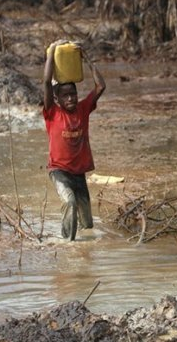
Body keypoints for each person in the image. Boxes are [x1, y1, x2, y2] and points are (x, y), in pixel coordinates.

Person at [43, 40, 106, 241]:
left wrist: (85, 57)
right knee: (69, 201)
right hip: (59, 171)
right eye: (66, 96)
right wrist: (51, 52)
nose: (71, 98)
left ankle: (81, 247)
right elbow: (45, 82)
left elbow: (101, 86)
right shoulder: (52, 113)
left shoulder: (83, 109)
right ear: (57, 99)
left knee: (87, 224)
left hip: (78, 174)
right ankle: (67, 244)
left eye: (73, 94)